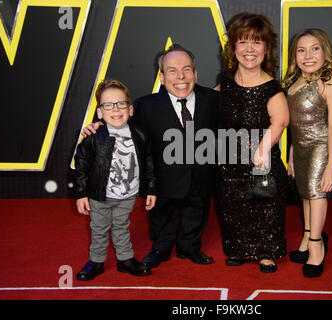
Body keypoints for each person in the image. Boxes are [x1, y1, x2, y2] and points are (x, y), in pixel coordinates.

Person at [83, 44, 219, 268]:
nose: (181, 76)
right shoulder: (146, 105)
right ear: (162, 77)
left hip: (200, 176)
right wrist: (99, 127)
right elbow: (128, 131)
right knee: (162, 216)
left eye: (187, 69)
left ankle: (190, 247)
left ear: (195, 74)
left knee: (197, 211)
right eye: (172, 71)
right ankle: (161, 248)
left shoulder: (213, 100)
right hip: (163, 180)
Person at [214, 13, 290, 273]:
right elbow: (205, 111)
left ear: (266, 48)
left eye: (257, 43)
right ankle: (239, 248)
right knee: (231, 205)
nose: (249, 49)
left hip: (262, 163)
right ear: (233, 47)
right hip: (230, 163)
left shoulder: (272, 88)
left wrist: (261, 150)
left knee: (264, 207)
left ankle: (266, 252)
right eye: (243, 42)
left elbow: (279, 122)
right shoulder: (224, 83)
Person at [74, 79, 157, 280]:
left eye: (120, 104)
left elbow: (148, 162)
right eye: (108, 105)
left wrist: (152, 189)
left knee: (121, 226)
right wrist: (81, 193)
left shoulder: (140, 134)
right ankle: (97, 261)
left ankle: (125, 260)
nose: (115, 109)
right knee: (99, 228)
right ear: (100, 112)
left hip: (127, 194)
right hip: (99, 194)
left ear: (130, 109)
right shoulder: (94, 137)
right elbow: (82, 166)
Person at [283, 28, 332, 277]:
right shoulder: (293, 83)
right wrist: (291, 154)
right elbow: (295, 124)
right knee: (305, 194)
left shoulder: (329, 82)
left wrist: (331, 165)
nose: (308, 55)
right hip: (300, 147)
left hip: (320, 146)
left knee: (317, 194)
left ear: (325, 51)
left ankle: (317, 247)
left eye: (314, 48)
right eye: (301, 50)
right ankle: (308, 238)